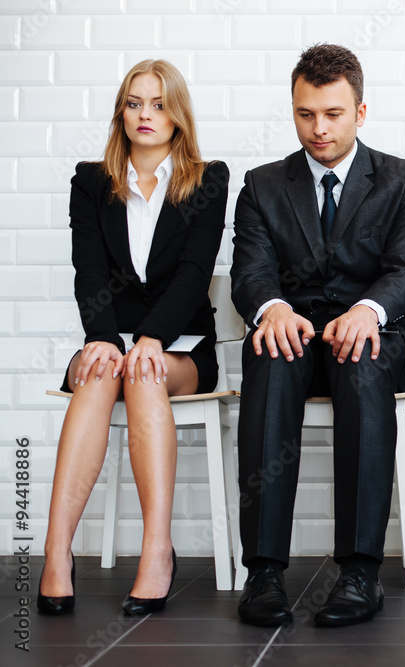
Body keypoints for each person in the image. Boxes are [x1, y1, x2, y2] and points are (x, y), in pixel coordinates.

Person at [231, 44, 405, 627]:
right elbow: (251, 272)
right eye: (305, 114)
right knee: (269, 357)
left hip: (375, 334)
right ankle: (265, 572)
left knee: (361, 360)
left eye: (333, 114)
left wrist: (369, 310)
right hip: (294, 333)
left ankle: (360, 572)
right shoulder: (263, 185)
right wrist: (272, 309)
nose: (318, 129)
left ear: (360, 113)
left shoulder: (402, 180)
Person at [38, 59, 229, 616]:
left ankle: (155, 553)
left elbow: (196, 274)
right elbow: (88, 270)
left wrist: (150, 337)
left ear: (177, 115)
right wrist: (102, 337)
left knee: (143, 372)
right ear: (121, 112)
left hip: (181, 346)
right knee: (102, 370)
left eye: (159, 103)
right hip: (109, 340)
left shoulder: (207, 178)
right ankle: (55, 552)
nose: (146, 115)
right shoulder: (91, 181)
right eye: (134, 103)